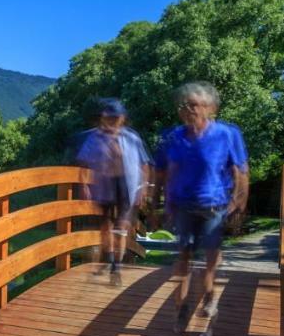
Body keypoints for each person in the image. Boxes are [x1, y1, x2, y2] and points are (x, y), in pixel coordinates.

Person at [153, 82, 248, 323]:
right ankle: (181, 307)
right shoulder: (173, 136)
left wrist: (239, 201)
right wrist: (158, 204)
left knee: (210, 256)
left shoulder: (226, 134)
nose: (188, 109)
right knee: (184, 255)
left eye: (194, 105)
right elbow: (163, 172)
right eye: (184, 105)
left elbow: (241, 170)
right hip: (184, 206)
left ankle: (209, 295)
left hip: (213, 205)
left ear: (209, 108)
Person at [75, 97, 152, 285]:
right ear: (102, 118)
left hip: (126, 184)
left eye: (115, 118)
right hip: (103, 184)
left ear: (122, 118)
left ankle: (116, 266)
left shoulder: (132, 138)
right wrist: (84, 185)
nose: (111, 121)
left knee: (122, 228)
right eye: (108, 118)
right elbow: (83, 163)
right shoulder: (94, 138)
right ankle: (109, 259)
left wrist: (143, 188)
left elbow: (144, 164)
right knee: (105, 226)